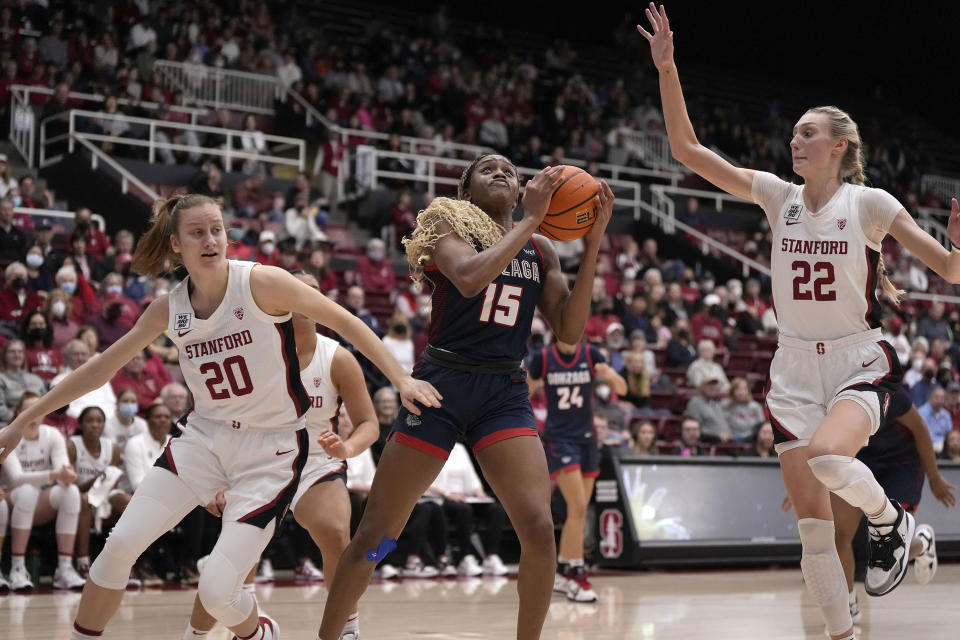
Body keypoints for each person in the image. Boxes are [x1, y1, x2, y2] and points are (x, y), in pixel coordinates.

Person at [638, 6, 960, 639]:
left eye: (807, 132)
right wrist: (668, 69)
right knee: (813, 532)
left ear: (840, 146)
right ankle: (841, 634)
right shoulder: (776, 195)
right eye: (793, 132)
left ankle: (891, 521)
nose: (795, 140)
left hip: (856, 357)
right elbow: (686, 150)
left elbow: (951, 273)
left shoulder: (869, 203)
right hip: (791, 366)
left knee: (827, 458)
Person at [0, 193, 438, 640]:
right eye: (197, 233)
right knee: (117, 549)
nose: (211, 240)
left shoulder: (262, 283)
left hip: (272, 449)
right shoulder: (168, 309)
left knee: (216, 591)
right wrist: (23, 421)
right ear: (176, 244)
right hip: (203, 439)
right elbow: (99, 368)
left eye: (217, 229)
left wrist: (401, 380)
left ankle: (259, 632)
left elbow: (346, 322)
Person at [316, 155, 613, 640]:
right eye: (487, 169)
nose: (501, 173)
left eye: (509, 171)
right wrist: (535, 219)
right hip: (441, 385)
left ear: (520, 191)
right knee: (379, 538)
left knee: (539, 528)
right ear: (466, 188)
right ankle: (333, 631)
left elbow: (570, 331)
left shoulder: (541, 250)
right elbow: (471, 278)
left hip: (503, 393)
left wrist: (593, 240)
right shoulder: (444, 221)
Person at [182, 268, 379, 640]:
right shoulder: (251, 351)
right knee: (233, 563)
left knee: (336, 533)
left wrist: (347, 447)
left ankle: (347, 628)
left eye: (315, 291)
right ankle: (198, 634)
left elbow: (369, 422)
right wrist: (217, 479)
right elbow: (218, 418)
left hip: (316, 460)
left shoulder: (338, 358)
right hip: (258, 457)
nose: (306, 299)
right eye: (298, 291)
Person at [785, 387, 956, 623]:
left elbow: (921, 430)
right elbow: (810, 441)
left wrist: (935, 478)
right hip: (856, 458)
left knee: (889, 539)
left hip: (900, 463)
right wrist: (800, 482)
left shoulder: (887, 389)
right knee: (839, 535)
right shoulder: (825, 392)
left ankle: (922, 544)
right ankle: (849, 603)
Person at [526, 339, 626, 603]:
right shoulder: (543, 358)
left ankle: (562, 570)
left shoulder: (591, 353)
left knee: (578, 510)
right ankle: (576, 573)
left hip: (587, 439)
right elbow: (522, 391)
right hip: (560, 439)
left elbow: (623, 389)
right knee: (578, 504)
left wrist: (610, 374)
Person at [2, 391, 86, 589]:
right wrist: (54, 475)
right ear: (18, 412)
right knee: (27, 491)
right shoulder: (7, 433)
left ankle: (65, 570)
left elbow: (62, 469)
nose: (34, 414)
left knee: (71, 492)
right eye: (28, 410)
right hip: (9, 497)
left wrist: (67, 476)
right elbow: (16, 478)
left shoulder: (52, 434)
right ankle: (17, 568)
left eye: (38, 409)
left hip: (38, 501)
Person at [67, 405, 129, 578]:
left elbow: (111, 484)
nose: (95, 425)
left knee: (127, 501)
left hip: (105, 495)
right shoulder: (72, 445)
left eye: (99, 421)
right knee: (83, 500)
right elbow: (71, 487)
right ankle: (83, 561)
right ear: (80, 424)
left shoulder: (113, 448)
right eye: (90, 421)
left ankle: (124, 562)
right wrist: (97, 480)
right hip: (79, 496)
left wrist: (102, 484)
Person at [0, 339, 47, 424]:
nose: (17, 355)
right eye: (12, 352)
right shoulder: (1, 379)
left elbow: (47, 403)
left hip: (38, 421)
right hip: (11, 423)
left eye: (20, 352)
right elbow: (1, 408)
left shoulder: (36, 379)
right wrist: (20, 420)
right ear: (4, 356)